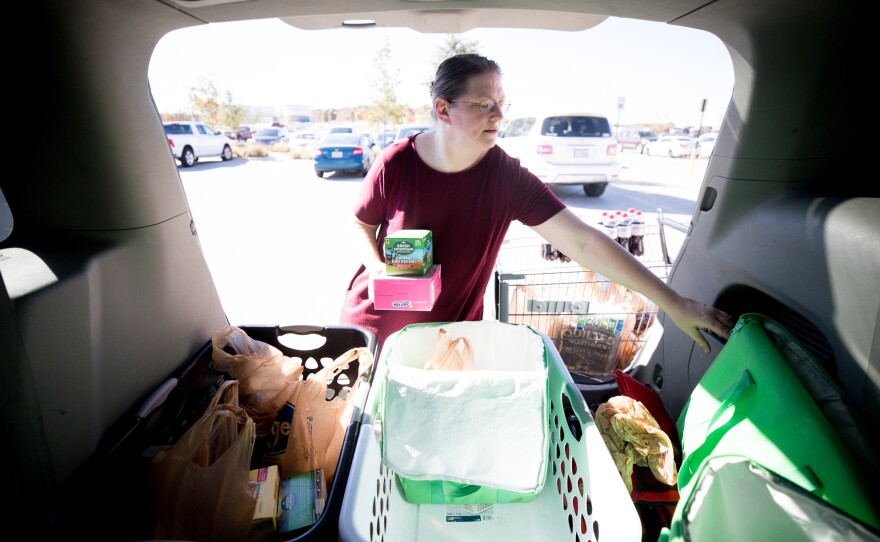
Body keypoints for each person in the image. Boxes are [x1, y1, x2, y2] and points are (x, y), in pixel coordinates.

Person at [339, 53, 734, 353]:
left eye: (501, 104)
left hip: (450, 341)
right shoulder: (396, 162)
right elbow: (359, 224)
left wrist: (674, 302)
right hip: (376, 333)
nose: (498, 116)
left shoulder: (507, 178)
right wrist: (377, 268)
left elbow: (583, 242)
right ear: (444, 109)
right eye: (483, 104)